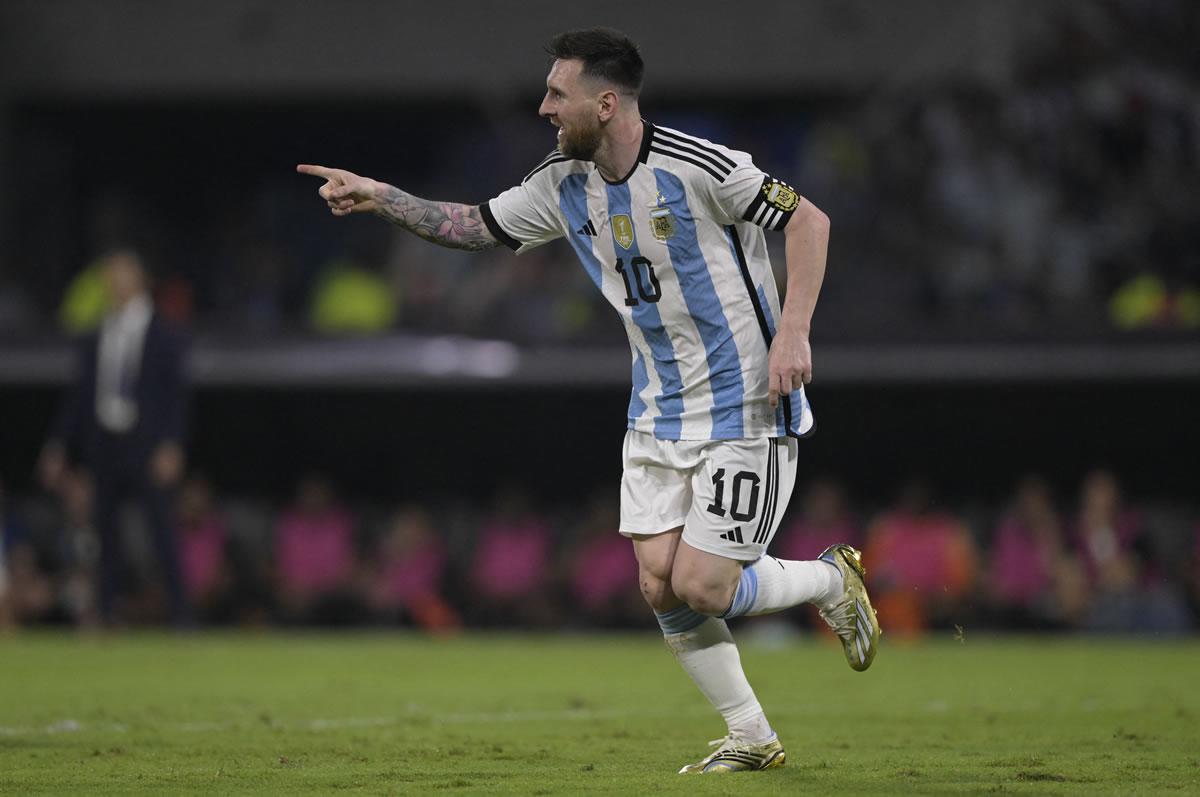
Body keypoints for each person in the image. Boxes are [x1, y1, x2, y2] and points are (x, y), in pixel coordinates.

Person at [298, 27, 879, 774]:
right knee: (658, 582)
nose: (543, 107)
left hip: (744, 403)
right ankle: (752, 736)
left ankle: (834, 578)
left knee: (705, 583)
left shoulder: (700, 165)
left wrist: (793, 333)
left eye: (556, 94)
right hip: (658, 410)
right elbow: (476, 225)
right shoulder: (559, 182)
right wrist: (382, 198)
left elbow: (809, 220)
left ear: (605, 104)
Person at [37, 248, 191, 626]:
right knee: (105, 532)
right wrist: (59, 446)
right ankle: (107, 614)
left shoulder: (163, 333)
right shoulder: (97, 334)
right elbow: (79, 397)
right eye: (108, 275)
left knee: (161, 532)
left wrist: (172, 444)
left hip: (146, 442)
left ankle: (182, 616)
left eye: (119, 274)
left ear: (139, 279)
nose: (112, 282)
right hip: (105, 442)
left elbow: (177, 395)